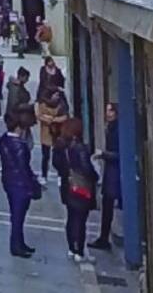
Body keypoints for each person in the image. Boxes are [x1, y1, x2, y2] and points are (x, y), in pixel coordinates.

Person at [53, 118, 98, 263]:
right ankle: (79, 251)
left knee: (71, 217)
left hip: (67, 185)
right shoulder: (80, 148)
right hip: (80, 187)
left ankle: (72, 248)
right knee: (80, 219)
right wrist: (95, 177)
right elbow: (87, 169)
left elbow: (56, 164)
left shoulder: (60, 146)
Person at [0, 113, 41, 258]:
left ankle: (19, 243)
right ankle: (16, 246)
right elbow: (24, 168)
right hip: (19, 184)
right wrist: (33, 186)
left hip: (9, 180)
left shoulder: (3, 140)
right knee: (18, 217)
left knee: (16, 215)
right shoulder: (20, 146)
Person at [90, 103, 121, 250]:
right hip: (111, 172)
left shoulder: (117, 129)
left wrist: (103, 154)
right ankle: (103, 237)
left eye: (110, 111)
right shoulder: (111, 127)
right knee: (107, 206)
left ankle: (103, 238)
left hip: (115, 174)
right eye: (107, 110)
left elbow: (120, 154)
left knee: (109, 205)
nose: (108, 114)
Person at [36, 88, 69, 181]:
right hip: (46, 133)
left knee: (59, 155)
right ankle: (44, 175)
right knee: (45, 156)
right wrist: (49, 119)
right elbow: (39, 116)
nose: (57, 97)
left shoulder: (61, 104)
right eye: (56, 95)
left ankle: (60, 174)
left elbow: (65, 117)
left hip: (58, 133)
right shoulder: (43, 104)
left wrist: (52, 119)